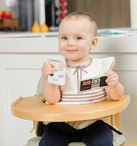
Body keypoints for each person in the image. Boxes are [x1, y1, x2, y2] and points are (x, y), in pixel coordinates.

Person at [40, 11, 124, 146]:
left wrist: (115, 85)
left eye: (78, 38)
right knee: (48, 142)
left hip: (93, 122)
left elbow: (116, 97)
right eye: (64, 38)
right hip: (62, 123)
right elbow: (52, 99)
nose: (70, 43)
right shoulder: (57, 67)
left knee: (102, 141)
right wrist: (47, 79)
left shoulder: (101, 67)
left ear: (93, 43)